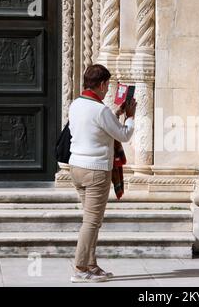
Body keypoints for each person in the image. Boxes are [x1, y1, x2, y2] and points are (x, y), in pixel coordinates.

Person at [68, 64, 136, 282]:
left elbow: (94, 128)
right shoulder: (100, 110)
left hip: (76, 167)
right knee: (91, 221)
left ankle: (91, 264)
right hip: (96, 170)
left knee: (92, 220)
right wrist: (130, 116)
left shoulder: (76, 104)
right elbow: (123, 135)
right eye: (107, 84)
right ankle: (80, 269)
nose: (108, 89)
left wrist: (116, 113)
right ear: (102, 84)